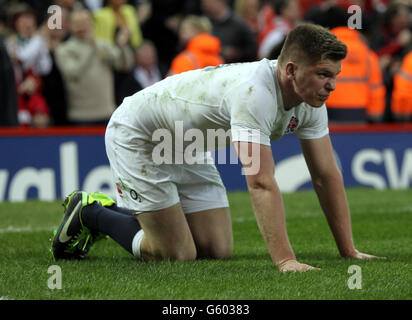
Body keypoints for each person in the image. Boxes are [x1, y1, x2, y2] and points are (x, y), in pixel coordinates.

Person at [52, 24, 382, 272]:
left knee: (216, 248)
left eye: (334, 75)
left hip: (189, 144)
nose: (333, 85)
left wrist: (348, 250)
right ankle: (91, 212)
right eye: (324, 74)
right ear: (292, 70)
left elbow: (325, 175)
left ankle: (136, 214)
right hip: (141, 135)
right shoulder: (255, 94)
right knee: (175, 254)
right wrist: (285, 261)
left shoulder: (311, 102)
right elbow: (261, 182)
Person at [55, 8, 134, 126]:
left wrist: (122, 46)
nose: (82, 26)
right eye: (77, 23)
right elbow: (72, 72)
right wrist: (91, 46)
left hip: (107, 112)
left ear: (92, 23)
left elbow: (125, 65)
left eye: (86, 22)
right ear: (70, 26)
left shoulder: (103, 45)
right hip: (81, 116)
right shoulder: (64, 49)